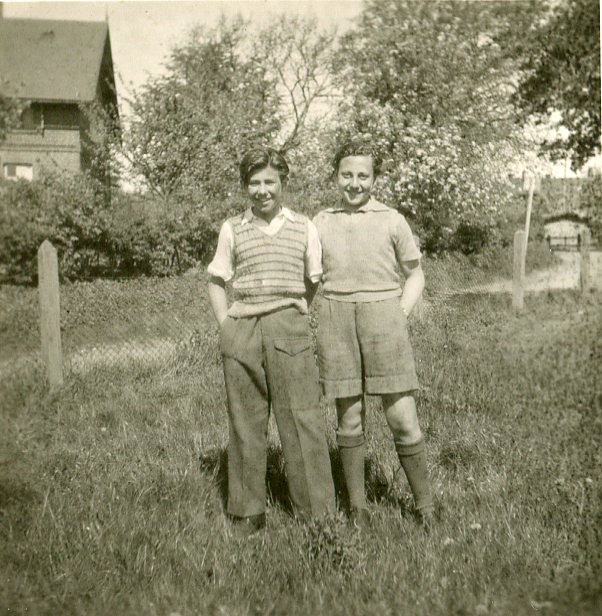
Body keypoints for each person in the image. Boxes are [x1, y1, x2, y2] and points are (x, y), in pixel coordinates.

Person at [207, 147, 335, 535]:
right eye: (254, 183)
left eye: (269, 182)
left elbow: (314, 282)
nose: (262, 190)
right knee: (246, 421)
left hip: (289, 326)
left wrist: (294, 312)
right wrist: (225, 323)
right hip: (242, 326)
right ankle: (248, 511)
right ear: (246, 186)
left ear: (283, 183)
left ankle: (315, 512)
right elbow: (216, 280)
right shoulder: (232, 228)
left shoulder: (303, 226)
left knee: (302, 417)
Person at [313, 140, 434, 530]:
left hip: (384, 318)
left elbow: (415, 273)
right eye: (347, 174)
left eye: (362, 175)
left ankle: (426, 507)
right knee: (349, 418)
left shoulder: (392, 219)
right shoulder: (320, 222)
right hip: (336, 319)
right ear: (336, 176)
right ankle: (357, 507)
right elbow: (309, 279)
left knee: (402, 418)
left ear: (374, 179)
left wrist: (399, 311)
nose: (354, 183)